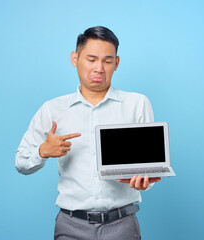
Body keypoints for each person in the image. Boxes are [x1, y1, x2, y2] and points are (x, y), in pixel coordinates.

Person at [15, 26, 161, 240]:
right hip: (71, 226)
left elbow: (150, 169)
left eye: (107, 61)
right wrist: (42, 151)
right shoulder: (53, 109)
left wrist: (146, 181)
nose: (99, 68)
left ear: (117, 63)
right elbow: (20, 163)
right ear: (75, 58)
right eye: (91, 59)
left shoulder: (137, 104)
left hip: (122, 225)